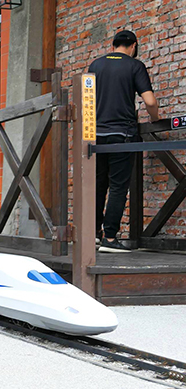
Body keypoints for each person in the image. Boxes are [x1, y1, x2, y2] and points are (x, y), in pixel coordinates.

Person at [88, 30, 160, 253]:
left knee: (98, 185)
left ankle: (94, 236)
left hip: (96, 137)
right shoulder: (134, 65)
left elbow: (87, 101)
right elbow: (149, 99)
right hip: (123, 135)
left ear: (114, 45)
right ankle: (110, 239)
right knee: (118, 187)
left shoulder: (95, 66)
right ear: (133, 45)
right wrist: (156, 118)